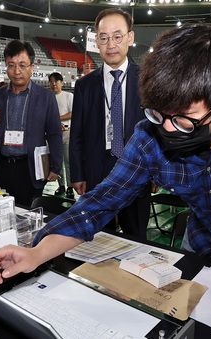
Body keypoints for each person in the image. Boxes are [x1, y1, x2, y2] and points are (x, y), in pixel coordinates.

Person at [0, 25, 211, 337]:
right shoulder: (152, 132)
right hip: (204, 245)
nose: (169, 131)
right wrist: (35, 252)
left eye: (186, 120)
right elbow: (102, 201)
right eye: (158, 115)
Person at [69, 8, 150, 241]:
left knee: (137, 238)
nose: (110, 44)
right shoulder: (85, 85)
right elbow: (77, 134)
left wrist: (156, 174)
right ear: (97, 41)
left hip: (137, 170)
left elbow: (158, 130)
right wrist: (77, 173)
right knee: (98, 238)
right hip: (97, 170)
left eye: (117, 36)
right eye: (103, 38)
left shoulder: (147, 79)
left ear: (130, 38)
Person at [0, 40, 62, 207]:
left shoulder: (45, 97)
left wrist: (56, 166)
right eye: (11, 65)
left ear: (31, 68)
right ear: (6, 66)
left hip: (31, 167)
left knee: (30, 215)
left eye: (22, 65)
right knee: (3, 213)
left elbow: (54, 133)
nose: (16, 71)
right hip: (3, 167)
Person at [48, 72, 75, 199]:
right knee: (56, 162)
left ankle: (70, 187)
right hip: (53, 135)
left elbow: (72, 113)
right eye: (51, 82)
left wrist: (56, 119)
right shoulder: (48, 98)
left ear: (61, 83)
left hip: (67, 132)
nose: (54, 84)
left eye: (56, 81)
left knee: (68, 161)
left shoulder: (68, 96)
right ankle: (61, 185)